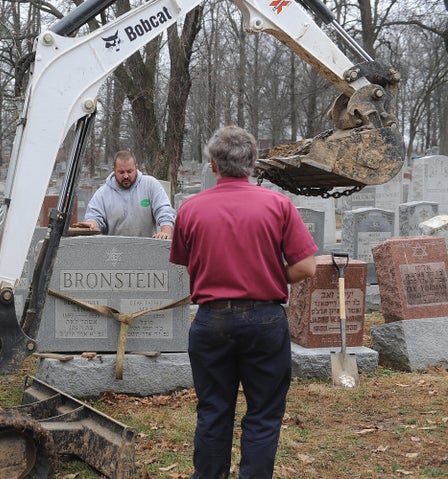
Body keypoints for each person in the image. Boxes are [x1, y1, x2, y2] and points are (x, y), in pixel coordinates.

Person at [169, 126, 317, 479]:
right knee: (264, 414)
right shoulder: (278, 205)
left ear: (213, 166)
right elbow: (306, 266)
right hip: (264, 320)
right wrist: (263, 273)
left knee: (213, 411)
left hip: (211, 321)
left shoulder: (190, 209)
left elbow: (188, 261)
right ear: (252, 164)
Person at [73, 150, 175, 239]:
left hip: (146, 248)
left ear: (136, 167)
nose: (126, 176)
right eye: (121, 172)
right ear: (114, 170)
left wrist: (166, 231)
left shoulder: (150, 185)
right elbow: (94, 217)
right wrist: (92, 224)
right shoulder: (102, 194)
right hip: (114, 253)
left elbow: (163, 210)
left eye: (129, 171)